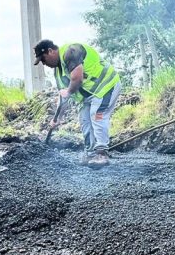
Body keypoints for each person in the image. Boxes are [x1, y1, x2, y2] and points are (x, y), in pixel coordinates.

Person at [33, 39, 121, 168]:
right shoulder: (58, 72)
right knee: (85, 120)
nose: (44, 64)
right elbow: (63, 96)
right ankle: (91, 154)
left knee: (97, 115)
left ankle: (102, 154)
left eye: (43, 59)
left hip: (106, 86)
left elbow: (77, 78)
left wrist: (68, 91)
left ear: (50, 51)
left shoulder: (71, 51)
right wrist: (56, 119)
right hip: (89, 96)